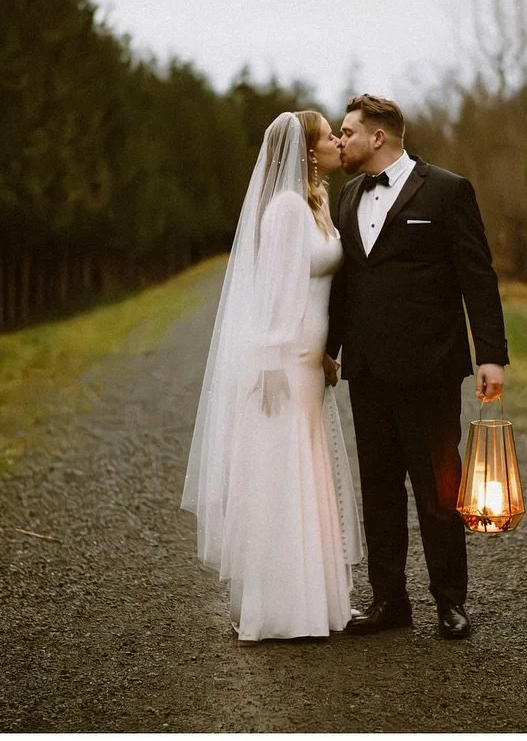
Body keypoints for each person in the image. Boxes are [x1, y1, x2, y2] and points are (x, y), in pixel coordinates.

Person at [327, 93, 509, 640]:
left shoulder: (447, 190)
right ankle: (389, 601)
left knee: (438, 492)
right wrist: (330, 349)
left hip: (429, 369)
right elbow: (345, 286)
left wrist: (492, 355)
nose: (340, 141)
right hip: (368, 372)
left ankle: (450, 601)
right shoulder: (348, 195)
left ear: (378, 136)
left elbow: (477, 275)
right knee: (379, 490)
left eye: (348, 132)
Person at [182, 111, 364, 641]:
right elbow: (270, 294)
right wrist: (266, 362)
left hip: (310, 358)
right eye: (328, 136)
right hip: (283, 358)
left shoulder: (316, 202)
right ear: (307, 151)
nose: (337, 142)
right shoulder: (285, 209)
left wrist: (326, 354)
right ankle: (283, 606)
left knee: (306, 465)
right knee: (283, 469)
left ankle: (316, 600)